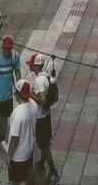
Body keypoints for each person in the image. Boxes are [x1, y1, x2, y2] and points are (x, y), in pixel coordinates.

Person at [29, 54, 59, 182]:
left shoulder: (39, 81)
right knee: (44, 142)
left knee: (43, 145)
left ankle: (53, 171)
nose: (30, 65)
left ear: (36, 65)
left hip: (41, 118)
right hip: (46, 114)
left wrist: (30, 95)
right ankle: (41, 163)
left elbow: (42, 99)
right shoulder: (46, 76)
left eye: (31, 64)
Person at [6, 78, 40, 184]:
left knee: (20, 180)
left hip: (18, 155)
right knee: (28, 175)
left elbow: (15, 138)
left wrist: (9, 156)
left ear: (17, 93)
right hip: (29, 150)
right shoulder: (34, 105)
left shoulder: (17, 113)